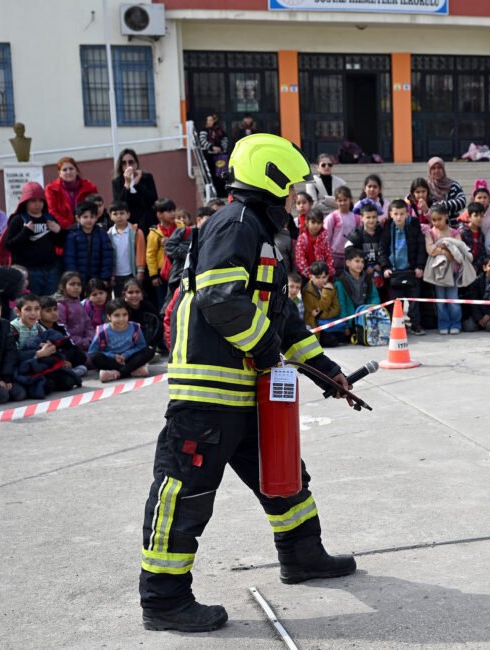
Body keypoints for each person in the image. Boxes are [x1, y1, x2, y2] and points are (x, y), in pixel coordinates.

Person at [139, 134, 355, 633]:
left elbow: (281, 321)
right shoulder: (234, 225)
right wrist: (266, 353)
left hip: (245, 390)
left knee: (284, 477)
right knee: (186, 492)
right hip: (209, 393)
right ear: (271, 180)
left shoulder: (256, 230)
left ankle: (302, 557)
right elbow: (219, 299)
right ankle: (164, 600)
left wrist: (327, 372)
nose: (295, 199)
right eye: (292, 189)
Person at [4, 181, 65, 296]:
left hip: (51, 270)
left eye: (40, 200)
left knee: (50, 304)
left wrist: (59, 231)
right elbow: (9, 245)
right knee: (33, 305)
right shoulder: (18, 219)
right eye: (33, 201)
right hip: (29, 272)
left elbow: (61, 243)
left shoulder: (49, 218)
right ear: (25, 202)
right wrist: (25, 232)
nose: (37, 204)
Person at [378, 199, 427, 336]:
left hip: (411, 271)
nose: (399, 217)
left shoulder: (414, 227)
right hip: (395, 273)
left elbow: (420, 248)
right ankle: (398, 326)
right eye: (396, 214)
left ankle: (416, 324)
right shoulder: (387, 228)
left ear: (407, 214)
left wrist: (419, 266)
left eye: (402, 214)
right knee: (396, 303)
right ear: (391, 214)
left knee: (413, 301)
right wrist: (385, 267)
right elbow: (382, 250)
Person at [423, 203, 473, 335]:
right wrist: (445, 251)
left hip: (453, 272)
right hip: (438, 274)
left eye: (439, 219)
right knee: (440, 302)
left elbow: (458, 250)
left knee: (453, 300)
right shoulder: (430, 233)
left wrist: (447, 248)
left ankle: (456, 323)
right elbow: (431, 250)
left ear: (446, 216)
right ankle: (443, 324)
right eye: (434, 220)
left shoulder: (454, 232)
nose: (437, 222)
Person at [89, 298, 152, 382]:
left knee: (149, 350)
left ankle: (117, 374)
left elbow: (141, 345)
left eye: (124, 314)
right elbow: (92, 352)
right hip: (112, 361)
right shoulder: (102, 331)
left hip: (129, 358)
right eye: (117, 315)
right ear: (109, 316)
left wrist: (126, 355)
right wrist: (113, 356)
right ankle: (132, 371)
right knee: (95, 357)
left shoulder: (135, 327)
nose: (121, 319)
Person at [64, 200, 114, 286]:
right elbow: (69, 260)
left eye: (92, 217)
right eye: (85, 217)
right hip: (78, 281)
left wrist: (105, 278)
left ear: (96, 218)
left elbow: (107, 258)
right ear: (77, 218)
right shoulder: (72, 235)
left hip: (98, 279)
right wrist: (73, 279)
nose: (89, 220)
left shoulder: (102, 234)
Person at [335, 248, 381, 341]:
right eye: (357, 261)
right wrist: (345, 325)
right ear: (348, 263)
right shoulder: (341, 282)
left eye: (362, 262)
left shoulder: (368, 279)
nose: (360, 264)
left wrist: (370, 310)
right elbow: (341, 305)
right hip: (352, 320)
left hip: (367, 317)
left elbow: (374, 296)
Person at [45, 157, 99, 231]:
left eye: (71, 169)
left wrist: (83, 224)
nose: (68, 172)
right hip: (62, 230)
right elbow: (52, 212)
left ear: (76, 170)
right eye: (64, 170)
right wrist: (71, 226)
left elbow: (95, 208)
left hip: (88, 229)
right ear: (59, 173)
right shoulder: (51, 189)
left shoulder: (90, 187)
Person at [111, 149, 159, 230]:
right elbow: (118, 204)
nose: (128, 165)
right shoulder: (117, 181)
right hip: (129, 223)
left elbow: (153, 199)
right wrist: (126, 185)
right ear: (120, 166)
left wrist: (138, 184)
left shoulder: (146, 177)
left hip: (148, 220)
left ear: (136, 163)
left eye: (131, 162)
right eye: (124, 163)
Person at [107, 200, 147, 297]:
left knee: (133, 298)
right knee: (119, 299)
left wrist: (140, 271)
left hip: (132, 273)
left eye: (122, 213)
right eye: (115, 214)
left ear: (128, 215)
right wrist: (111, 276)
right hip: (116, 275)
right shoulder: (108, 234)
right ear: (110, 216)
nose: (119, 216)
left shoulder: (136, 232)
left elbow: (141, 252)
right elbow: (109, 256)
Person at [146, 198, 179, 307]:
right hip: (162, 274)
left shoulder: (181, 227)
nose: (173, 214)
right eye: (169, 211)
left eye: (174, 210)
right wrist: (154, 275)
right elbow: (150, 255)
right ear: (159, 214)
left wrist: (170, 242)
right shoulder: (154, 233)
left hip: (180, 268)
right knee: (164, 301)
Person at [54, 271, 96, 359]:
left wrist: (90, 339)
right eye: (72, 284)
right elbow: (63, 332)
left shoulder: (78, 303)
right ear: (62, 287)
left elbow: (88, 325)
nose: (76, 287)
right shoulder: (60, 306)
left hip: (86, 345)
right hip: (70, 347)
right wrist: (83, 342)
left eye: (79, 284)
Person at [302, 260, 342, 346]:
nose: (321, 280)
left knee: (341, 338)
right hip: (315, 326)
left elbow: (337, 308)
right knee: (332, 341)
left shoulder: (330, 287)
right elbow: (321, 307)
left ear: (328, 276)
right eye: (317, 277)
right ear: (310, 277)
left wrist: (320, 314)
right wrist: (327, 292)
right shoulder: (306, 291)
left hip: (328, 323)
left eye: (324, 277)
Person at [345, 201, 384, 282]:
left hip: (379, 272)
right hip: (361, 272)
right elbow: (349, 253)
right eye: (368, 217)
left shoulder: (382, 233)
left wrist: (380, 264)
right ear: (361, 218)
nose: (371, 220)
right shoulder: (356, 234)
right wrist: (364, 266)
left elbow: (386, 251)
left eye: (374, 217)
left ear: (377, 218)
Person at [294, 206, 333, 280]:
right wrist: (310, 275)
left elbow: (329, 256)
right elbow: (300, 259)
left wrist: (328, 273)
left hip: (323, 276)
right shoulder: (302, 239)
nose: (316, 225)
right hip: (307, 277)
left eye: (319, 222)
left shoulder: (324, 238)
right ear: (307, 222)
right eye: (313, 222)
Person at [197, 114, 229, 198]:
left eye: (211, 120)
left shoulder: (220, 131)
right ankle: (214, 194)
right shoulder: (204, 130)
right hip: (209, 156)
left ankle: (223, 193)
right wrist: (212, 147)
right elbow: (202, 140)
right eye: (208, 120)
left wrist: (220, 148)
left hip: (219, 156)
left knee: (221, 174)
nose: (209, 122)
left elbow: (225, 139)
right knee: (211, 174)